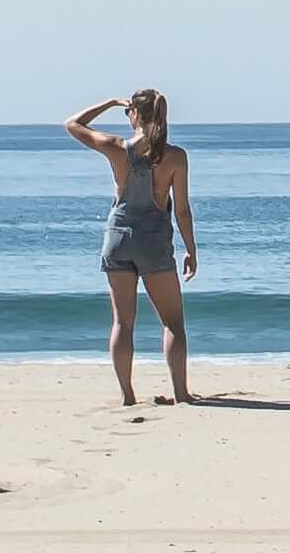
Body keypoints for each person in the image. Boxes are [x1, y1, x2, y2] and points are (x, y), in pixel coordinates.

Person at [64, 89, 198, 408]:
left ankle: (127, 395)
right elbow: (182, 209)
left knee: (123, 322)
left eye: (128, 112)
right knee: (172, 322)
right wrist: (191, 249)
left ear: (134, 114)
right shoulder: (175, 156)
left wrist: (109, 103)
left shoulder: (116, 148)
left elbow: (72, 123)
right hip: (153, 239)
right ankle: (181, 394)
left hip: (118, 237)